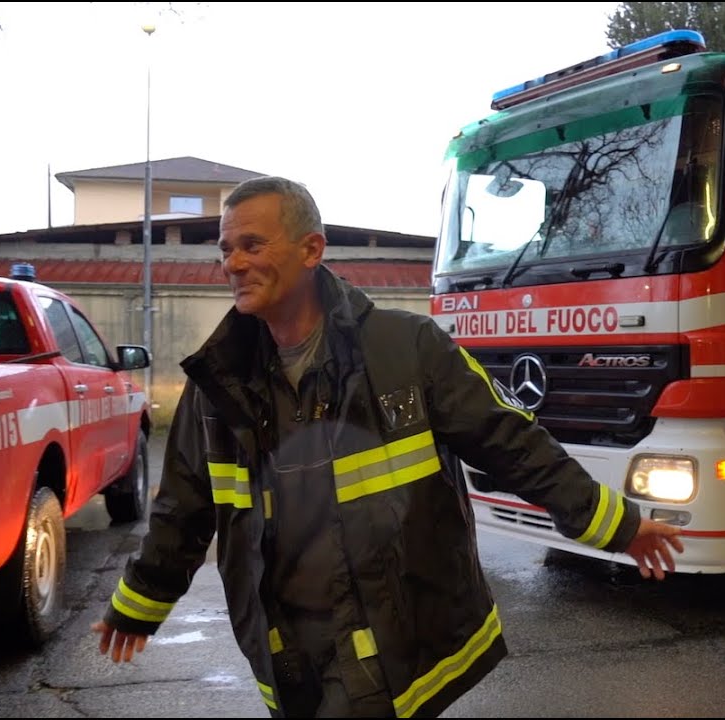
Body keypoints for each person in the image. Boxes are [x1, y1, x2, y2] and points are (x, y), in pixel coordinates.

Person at [91, 176, 685, 719]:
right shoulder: (216, 385)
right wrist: (140, 602)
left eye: (252, 244)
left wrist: (616, 524)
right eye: (225, 249)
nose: (234, 263)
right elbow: (182, 510)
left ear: (311, 249)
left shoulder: (406, 349)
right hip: (285, 650)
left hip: (391, 637)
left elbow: (510, 441)